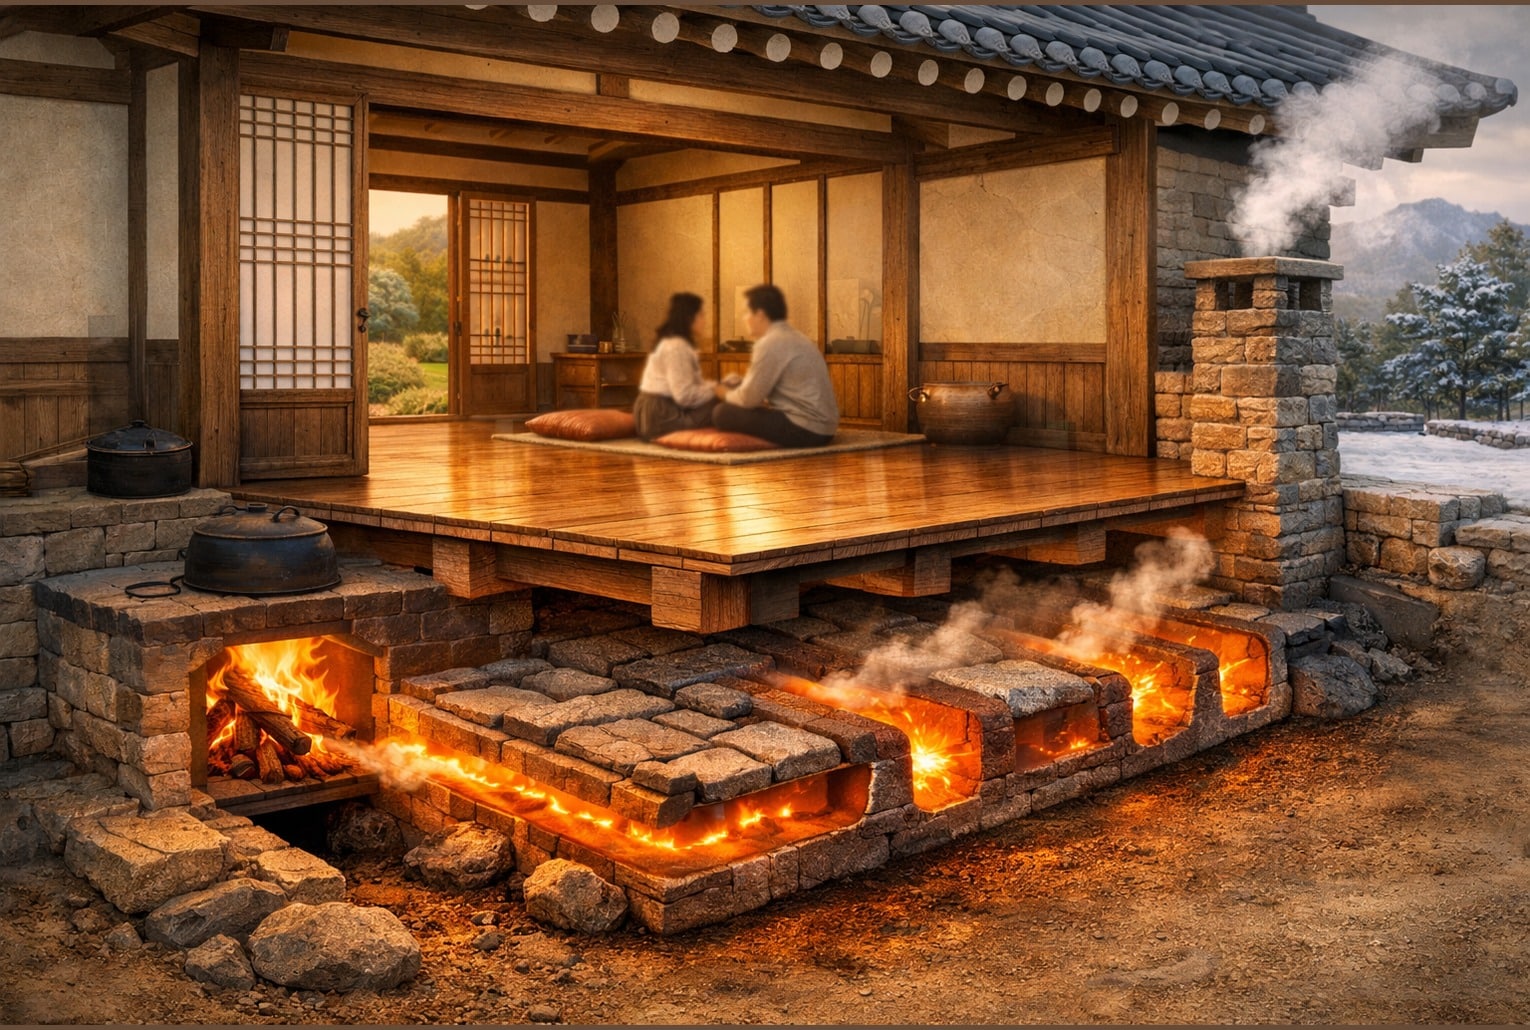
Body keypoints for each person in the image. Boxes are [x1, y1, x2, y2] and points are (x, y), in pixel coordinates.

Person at [711, 284, 839, 447]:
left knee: (722, 413)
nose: (743, 318)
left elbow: (748, 399)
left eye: (746, 313)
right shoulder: (797, 337)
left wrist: (723, 392)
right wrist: (743, 383)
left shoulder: (770, 343)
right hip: (825, 428)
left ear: (760, 315)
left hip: (806, 430)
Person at [632, 292, 720, 440]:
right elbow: (684, 396)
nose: (705, 321)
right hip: (660, 415)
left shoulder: (676, 344)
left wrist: (717, 387)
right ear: (690, 318)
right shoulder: (676, 347)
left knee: (723, 395)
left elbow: (691, 387)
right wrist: (717, 391)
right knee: (721, 403)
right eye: (702, 315)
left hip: (656, 410)